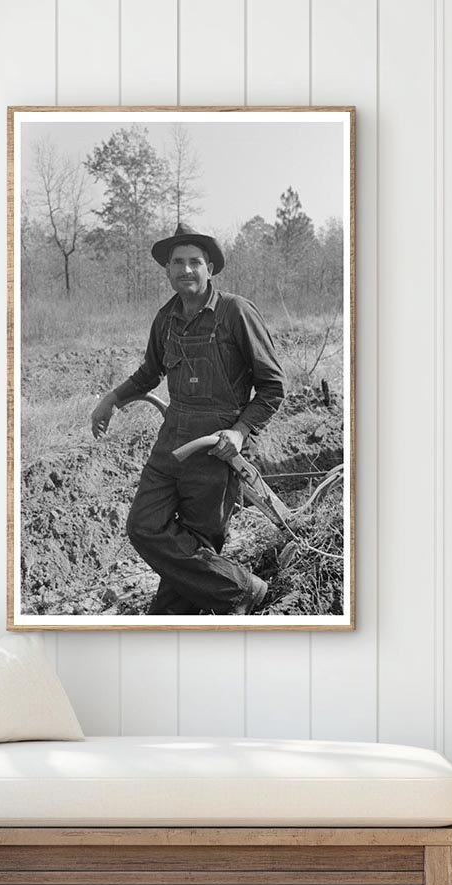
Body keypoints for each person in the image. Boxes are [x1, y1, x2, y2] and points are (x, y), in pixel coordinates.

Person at [90, 223, 286, 615]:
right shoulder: (165, 319)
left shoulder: (236, 312)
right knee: (143, 525)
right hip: (172, 440)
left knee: (198, 542)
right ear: (167, 271)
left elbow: (272, 387)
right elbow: (150, 372)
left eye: (194, 262)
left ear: (210, 267)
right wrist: (112, 399)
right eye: (177, 262)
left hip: (216, 448)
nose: (186, 270)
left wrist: (240, 430)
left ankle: (170, 617)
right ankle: (241, 589)